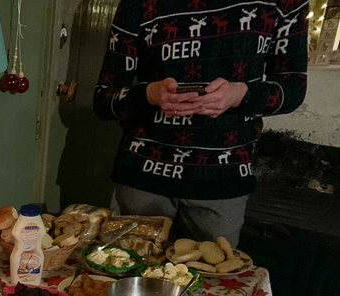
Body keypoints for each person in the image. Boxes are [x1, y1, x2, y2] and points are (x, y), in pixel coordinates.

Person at [93, 0, 308, 246]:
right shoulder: (138, 3)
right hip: (142, 176)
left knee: (213, 271)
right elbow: (103, 98)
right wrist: (149, 94)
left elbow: (293, 88)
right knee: (130, 267)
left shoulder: (284, 2)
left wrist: (241, 95)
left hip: (223, 181)